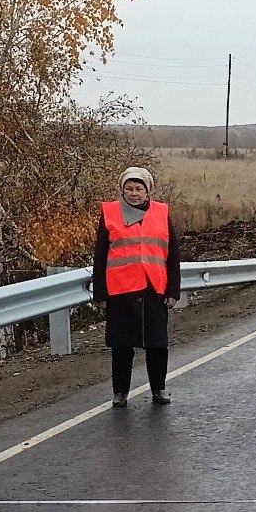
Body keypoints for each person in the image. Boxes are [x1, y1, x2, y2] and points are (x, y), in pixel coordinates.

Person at [92, 166, 182, 408]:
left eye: (139, 188)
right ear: (122, 190)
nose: (134, 193)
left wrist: (173, 290)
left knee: (157, 344)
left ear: (148, 191)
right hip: (120, 289)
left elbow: (173, 255)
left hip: (154, 288)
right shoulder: (110, 213)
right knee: (122, 345)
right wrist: (100, 292)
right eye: (129, 188)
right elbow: (100, 256)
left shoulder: (161, 212)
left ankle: (158, 389)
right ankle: (120, 393)